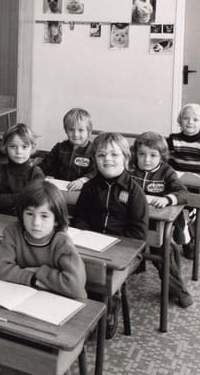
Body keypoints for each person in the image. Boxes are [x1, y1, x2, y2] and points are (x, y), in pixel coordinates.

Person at [74, 132, 148, 339]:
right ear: (95, 159)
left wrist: (110, 245)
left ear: (126, 158)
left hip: (124, 251)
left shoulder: (134, 192)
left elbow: (138, 234)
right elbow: (80, 218)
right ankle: (81, 307)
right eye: (101, 155)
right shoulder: (89, 187)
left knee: (101, 276)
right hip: (91, 245)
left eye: (114, 155)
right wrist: (85, 236)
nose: (108, 159)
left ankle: (110, 301)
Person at [129, 132, 192, 307]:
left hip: (156, 225)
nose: (146, 160)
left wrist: (167, 199)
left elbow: (184, 193)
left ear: (161, 156)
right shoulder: (130, 170)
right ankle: (137, 266)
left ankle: (179, 290)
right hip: (133, 221)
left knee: (162, 255)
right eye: (142, 154)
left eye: (153, 155)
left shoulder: (166, 172)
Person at [0, 180, 87, 299]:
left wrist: (39, 271)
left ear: (56, 219)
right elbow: (0, 269)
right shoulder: (13, 231)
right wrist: (33, 278)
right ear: (21, 214)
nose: (36, 222)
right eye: (30, 214)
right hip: (21, 295)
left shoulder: (62, 242)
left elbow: (75, 286)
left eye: (44, 216)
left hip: (56, 301)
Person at [166, 103, 200, 259]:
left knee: (196, 211)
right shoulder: (173, 139)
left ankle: (191, 241)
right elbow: (165, 160)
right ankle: (182, 237)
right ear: (180, 120)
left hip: (198, 186)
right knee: (174, 208)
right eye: (186, 118)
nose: (190, 122)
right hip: (178, 184)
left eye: (195, 120)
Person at [0, 123, 44, 214]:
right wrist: (21, 197)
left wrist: (4, 200)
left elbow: (35, 202)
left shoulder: (36, 173)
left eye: (24, 147)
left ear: (32, 148)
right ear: (6, 148)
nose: (19, 151)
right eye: (13, 146)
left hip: (25, 219)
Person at [40, 108, 95, 190]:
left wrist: (83, 181)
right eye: (71, 130)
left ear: (89, 132)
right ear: (66, 131)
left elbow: (95, 172)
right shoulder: (59, 148)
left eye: (80, 130)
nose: (76, 134)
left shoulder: (94, 151)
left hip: (82, 190)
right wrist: (44, 174)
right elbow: (46, 164)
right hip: (59, 187)